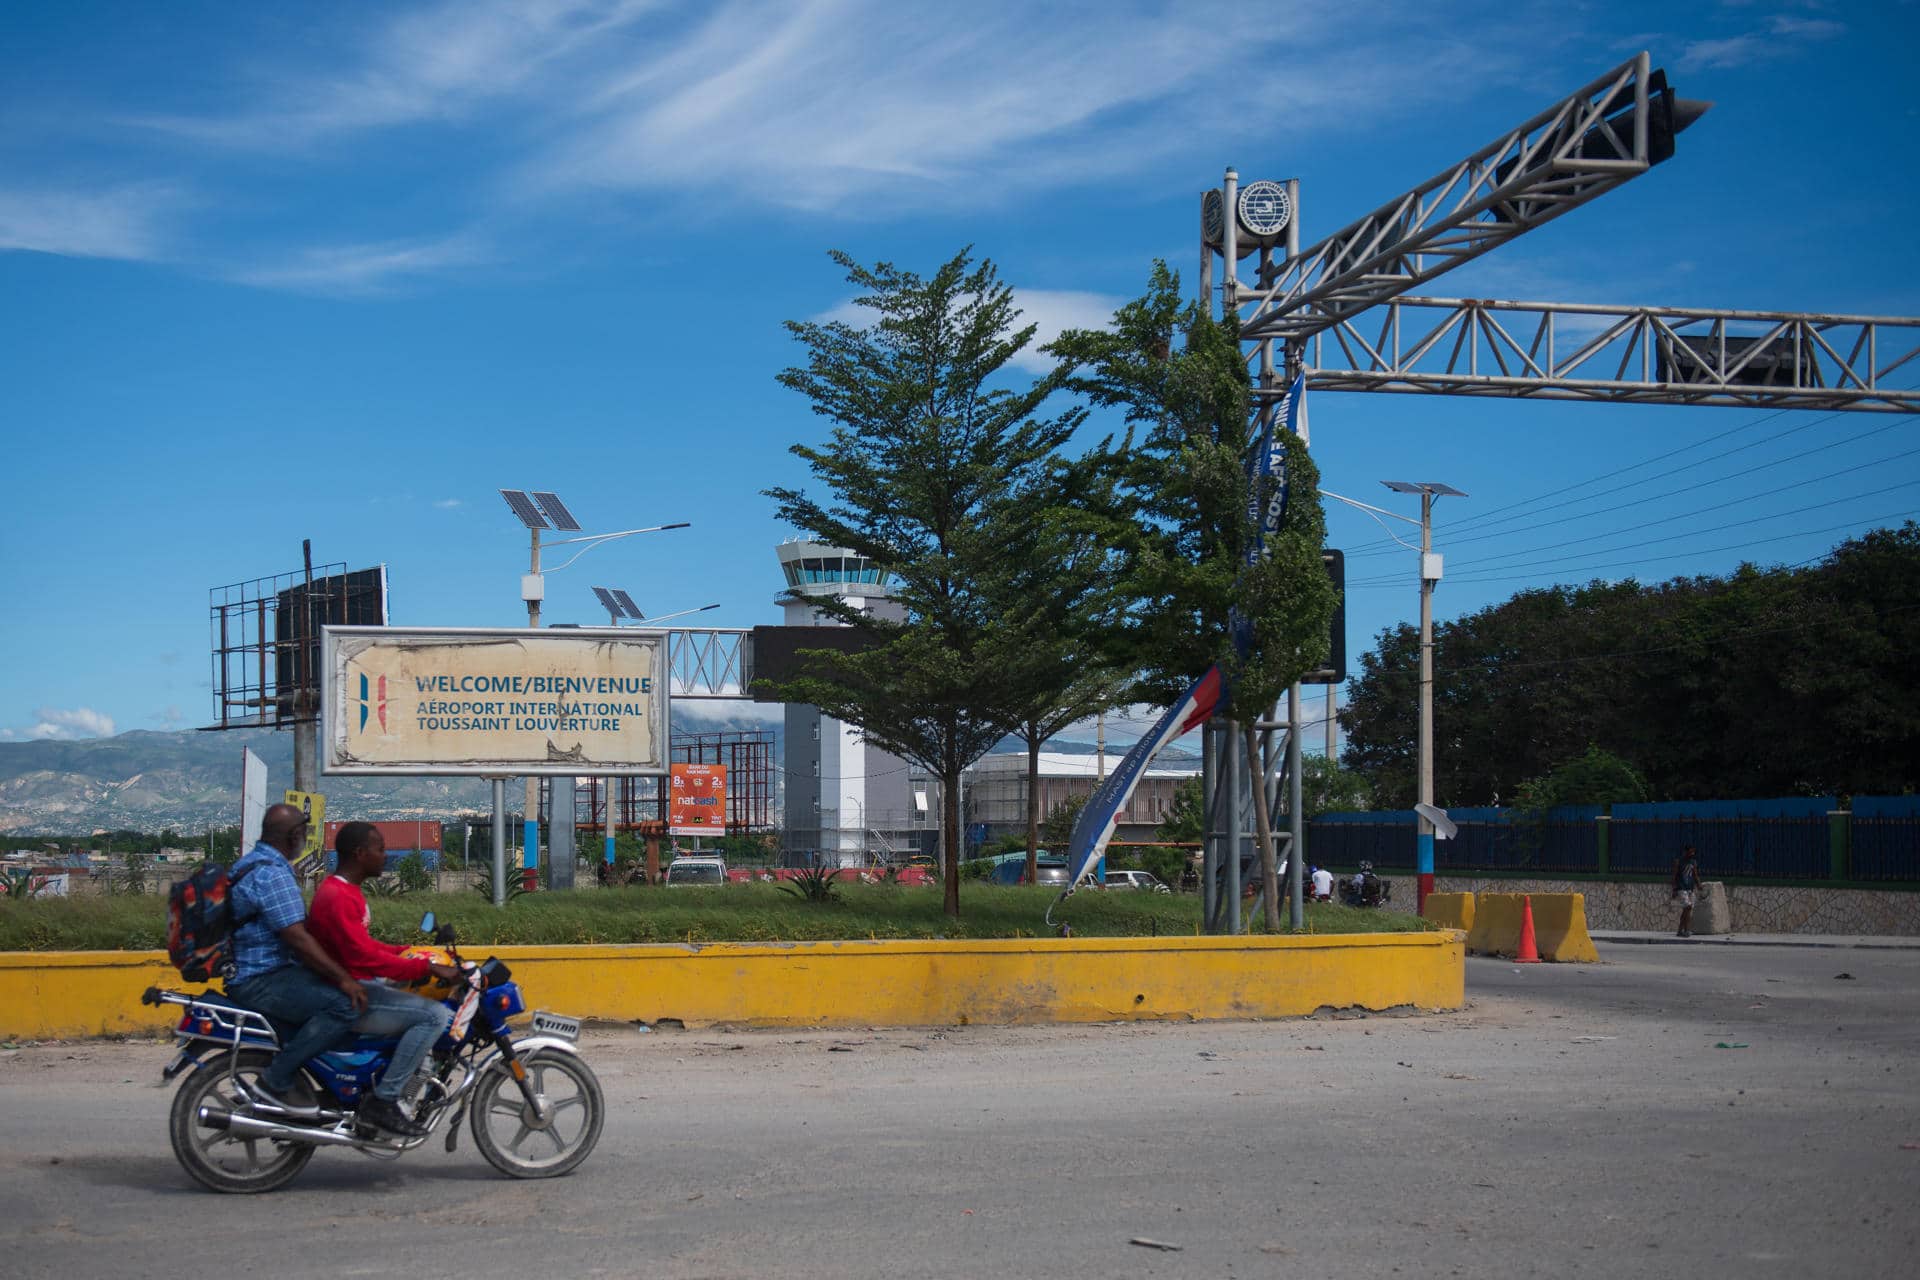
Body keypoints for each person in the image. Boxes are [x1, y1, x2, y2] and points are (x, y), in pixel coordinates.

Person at [307, 823, 461, 1137]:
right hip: (344, 994)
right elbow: (363, 958)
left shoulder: (345, 891)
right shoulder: (337, 895)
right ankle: (385, 1100)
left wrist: (410, 952)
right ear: (360, 854)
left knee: (410, 999)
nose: (385, 855)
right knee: (435, 1016)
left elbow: (365, 946)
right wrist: (426, 969)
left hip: (350, 986)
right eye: (380, 849)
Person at [225, 803, 368, 1118]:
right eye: (303, 834)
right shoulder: (271, 874)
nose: (304, 840)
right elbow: (297, 938)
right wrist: (344, 978)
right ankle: (275, 1081)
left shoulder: (251, 863)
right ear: (293, 836)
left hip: (259, 972)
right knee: (344, 1003)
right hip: (262, 979)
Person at [1671, 844, 1701, 938]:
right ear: (1685, 851)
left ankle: (1680, 930)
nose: (1692, 853)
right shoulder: (1678, 861)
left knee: (1687, 909)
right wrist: (1674, 889)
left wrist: (1699, 885)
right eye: (1690, 851)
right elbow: (1674, 876)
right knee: (1688, 907)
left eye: (1693, 852)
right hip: (1681, 887)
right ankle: (1686, 930)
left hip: (1690, 888)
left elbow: (1695, 875)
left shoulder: (1693, 862)